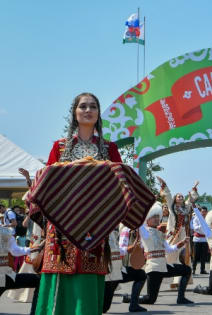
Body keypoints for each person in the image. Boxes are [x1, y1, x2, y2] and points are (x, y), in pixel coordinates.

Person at [34, 92, 123, 315]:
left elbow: (121, 185)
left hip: (94, 226)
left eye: (93, 106)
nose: (88, 110)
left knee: (87, 279)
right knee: (59, 278)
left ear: (98, 113)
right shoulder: (60, 147)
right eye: (83, 106)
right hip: (61, 227)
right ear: (75, 112)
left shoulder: (109, 149)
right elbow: (46, 184)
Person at [138, 202, 194, 305]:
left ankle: (181, 298)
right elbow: (139, 221)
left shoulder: (160, 233)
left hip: (164, 266)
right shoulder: (144, 231)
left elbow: (169, 249)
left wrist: (181, 243)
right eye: (153, 217)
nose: (156, 219)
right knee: (150, 299)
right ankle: (129, 298)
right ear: (147, 219)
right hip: (153, 268)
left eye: (157, 217)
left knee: (187, 270)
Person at [157, 176, 198, 288]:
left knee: (183, 256)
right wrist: (164, 184)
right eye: (178, 196)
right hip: (173, 234)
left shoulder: (186, 207)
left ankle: (179, 280)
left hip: (183, 234)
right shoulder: (171, 206)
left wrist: (194, 188)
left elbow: (191, 199)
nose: (180, 197)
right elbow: (168, 196)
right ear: (175, 199)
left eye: (181, 196)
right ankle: (162, 276)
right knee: (170, 254)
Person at [103, 227, 147, 313]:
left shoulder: (111, 232)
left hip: (119, 271)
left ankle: (134, 305)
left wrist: (130, 248)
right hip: (106, 274)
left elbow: (117, 250)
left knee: (141, 274)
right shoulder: (100, 233)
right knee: (104, 308)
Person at [0, 226, 41, 315]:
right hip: (3, 277)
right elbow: (15, 251)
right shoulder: (5, 232)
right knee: (39, 281)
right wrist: (31, 249)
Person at [192, 206, 209, 275]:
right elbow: (195, 228)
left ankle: (202, 269)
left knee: (203, 256)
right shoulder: (196, 218)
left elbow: (209, 228)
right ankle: (193, 269)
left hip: (205, 239)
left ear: (207, 212)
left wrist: (203, 228)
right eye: (202, 212)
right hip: (197, 239)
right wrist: (202, 226)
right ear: (200, 212)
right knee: (196, 256)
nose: (203, 213)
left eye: (205, 212)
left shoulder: (208, 219)